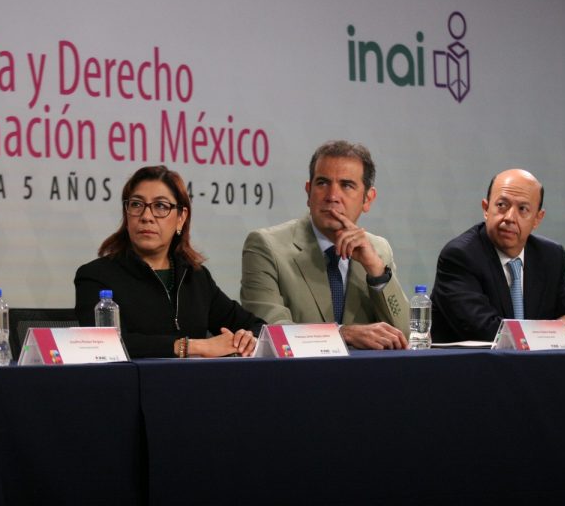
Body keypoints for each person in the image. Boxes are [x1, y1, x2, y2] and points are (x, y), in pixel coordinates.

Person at [75, 165, 263, 358]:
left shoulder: (195, 276)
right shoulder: (95, 276)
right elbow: (102, 344)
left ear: (181, 218)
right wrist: (191, 347)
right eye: (136, 204)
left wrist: (247, 339)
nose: (146, 217)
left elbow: (257, 328)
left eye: (161, 206)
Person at [241, 140, 409, 350]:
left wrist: (376, 271)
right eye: (322, 183)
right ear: (308, 192)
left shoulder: (378, 249)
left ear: (368, 199)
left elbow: (403, 335)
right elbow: (269, 332)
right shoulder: (266, 246)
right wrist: (341, 333)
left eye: (346, 185)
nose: (332, 196)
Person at [430, 168, 565, 345]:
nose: (510, 217)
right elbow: (487, 331)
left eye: (523, 209)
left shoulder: (550, 257)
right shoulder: (460, 256)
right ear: (486, 208)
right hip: (471, 368)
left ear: (537, 218)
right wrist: (554, 328)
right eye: (501, 205)